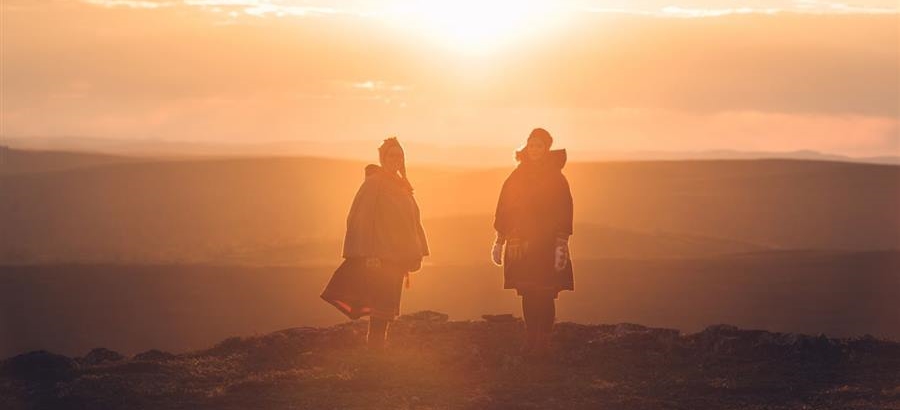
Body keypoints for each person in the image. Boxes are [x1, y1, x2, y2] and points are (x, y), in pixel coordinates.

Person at [321, 137, 429, 350]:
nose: (396, 160)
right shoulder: (374, 183)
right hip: (380, 256)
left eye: (399, 156)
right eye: (391, 155)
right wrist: (368, 254)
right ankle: (376, 346)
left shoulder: (401, 185)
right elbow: (360, 218)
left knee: (388, 300)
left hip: (397, 256)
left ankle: (378, 345)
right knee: (382, 300)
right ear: (383, 158)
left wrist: (416, 250)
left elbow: (413, 220)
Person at [492, 128, 574, 358]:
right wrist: (501, 237)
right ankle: (530, 338)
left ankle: (543, 342)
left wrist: (561, 241)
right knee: (528, 292)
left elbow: (565, 209)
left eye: (539, 146)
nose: (534, 150)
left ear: (546, 148)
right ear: (526, 147)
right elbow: (505, 206)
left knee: (546, 294)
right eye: (531, 145)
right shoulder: (517, 176)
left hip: (547, 245)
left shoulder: (557, 178)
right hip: (523, 244)